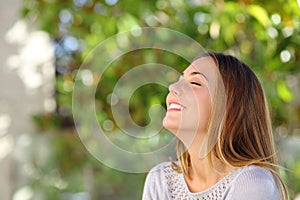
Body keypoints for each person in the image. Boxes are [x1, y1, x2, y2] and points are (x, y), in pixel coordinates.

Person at [142, 52, 288, 200]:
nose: (173, 86)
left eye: (195, 83)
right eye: (180, 79)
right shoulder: (160, 179)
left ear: (230, 108)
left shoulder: (253, 182)